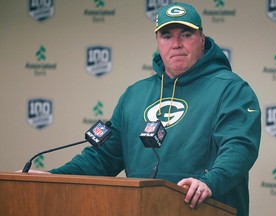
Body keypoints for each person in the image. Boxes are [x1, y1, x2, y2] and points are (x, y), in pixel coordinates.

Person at [30, 2, 261, 216]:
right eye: (167, 36)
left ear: (202, 38)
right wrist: (54, 177)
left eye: (187, 34)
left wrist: (210, 181)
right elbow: (103, 157)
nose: (176, 44)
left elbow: (239, 148)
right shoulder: (135, 94)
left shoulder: (231, 89)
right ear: (158, 41)